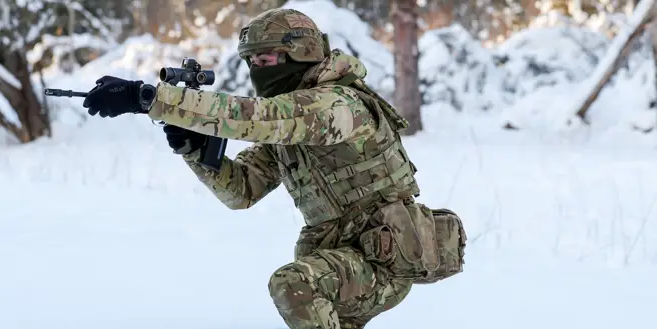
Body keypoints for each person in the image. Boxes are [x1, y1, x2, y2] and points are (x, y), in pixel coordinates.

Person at [81, 8, 466, 329]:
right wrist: (194, 151)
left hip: (384, 261)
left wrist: (148, 98)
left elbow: (257, 118)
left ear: (299, 53)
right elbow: (241, 190)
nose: (256, 70)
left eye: (264, 60)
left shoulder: (337, 105)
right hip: (346, 256)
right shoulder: (292, 122)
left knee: (294, 284)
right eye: (251, 62)